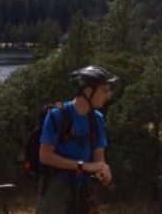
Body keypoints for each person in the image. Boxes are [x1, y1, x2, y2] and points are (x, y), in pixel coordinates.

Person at [36, 66, 115, 214]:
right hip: (57, 188)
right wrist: (83, 166)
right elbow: (45, 156)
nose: (108, 95)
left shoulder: (97, 119)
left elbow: (99, 157)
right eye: (104, 90)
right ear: (88, 91)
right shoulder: (57, 115)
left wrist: (103, 172)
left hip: (84, 189)